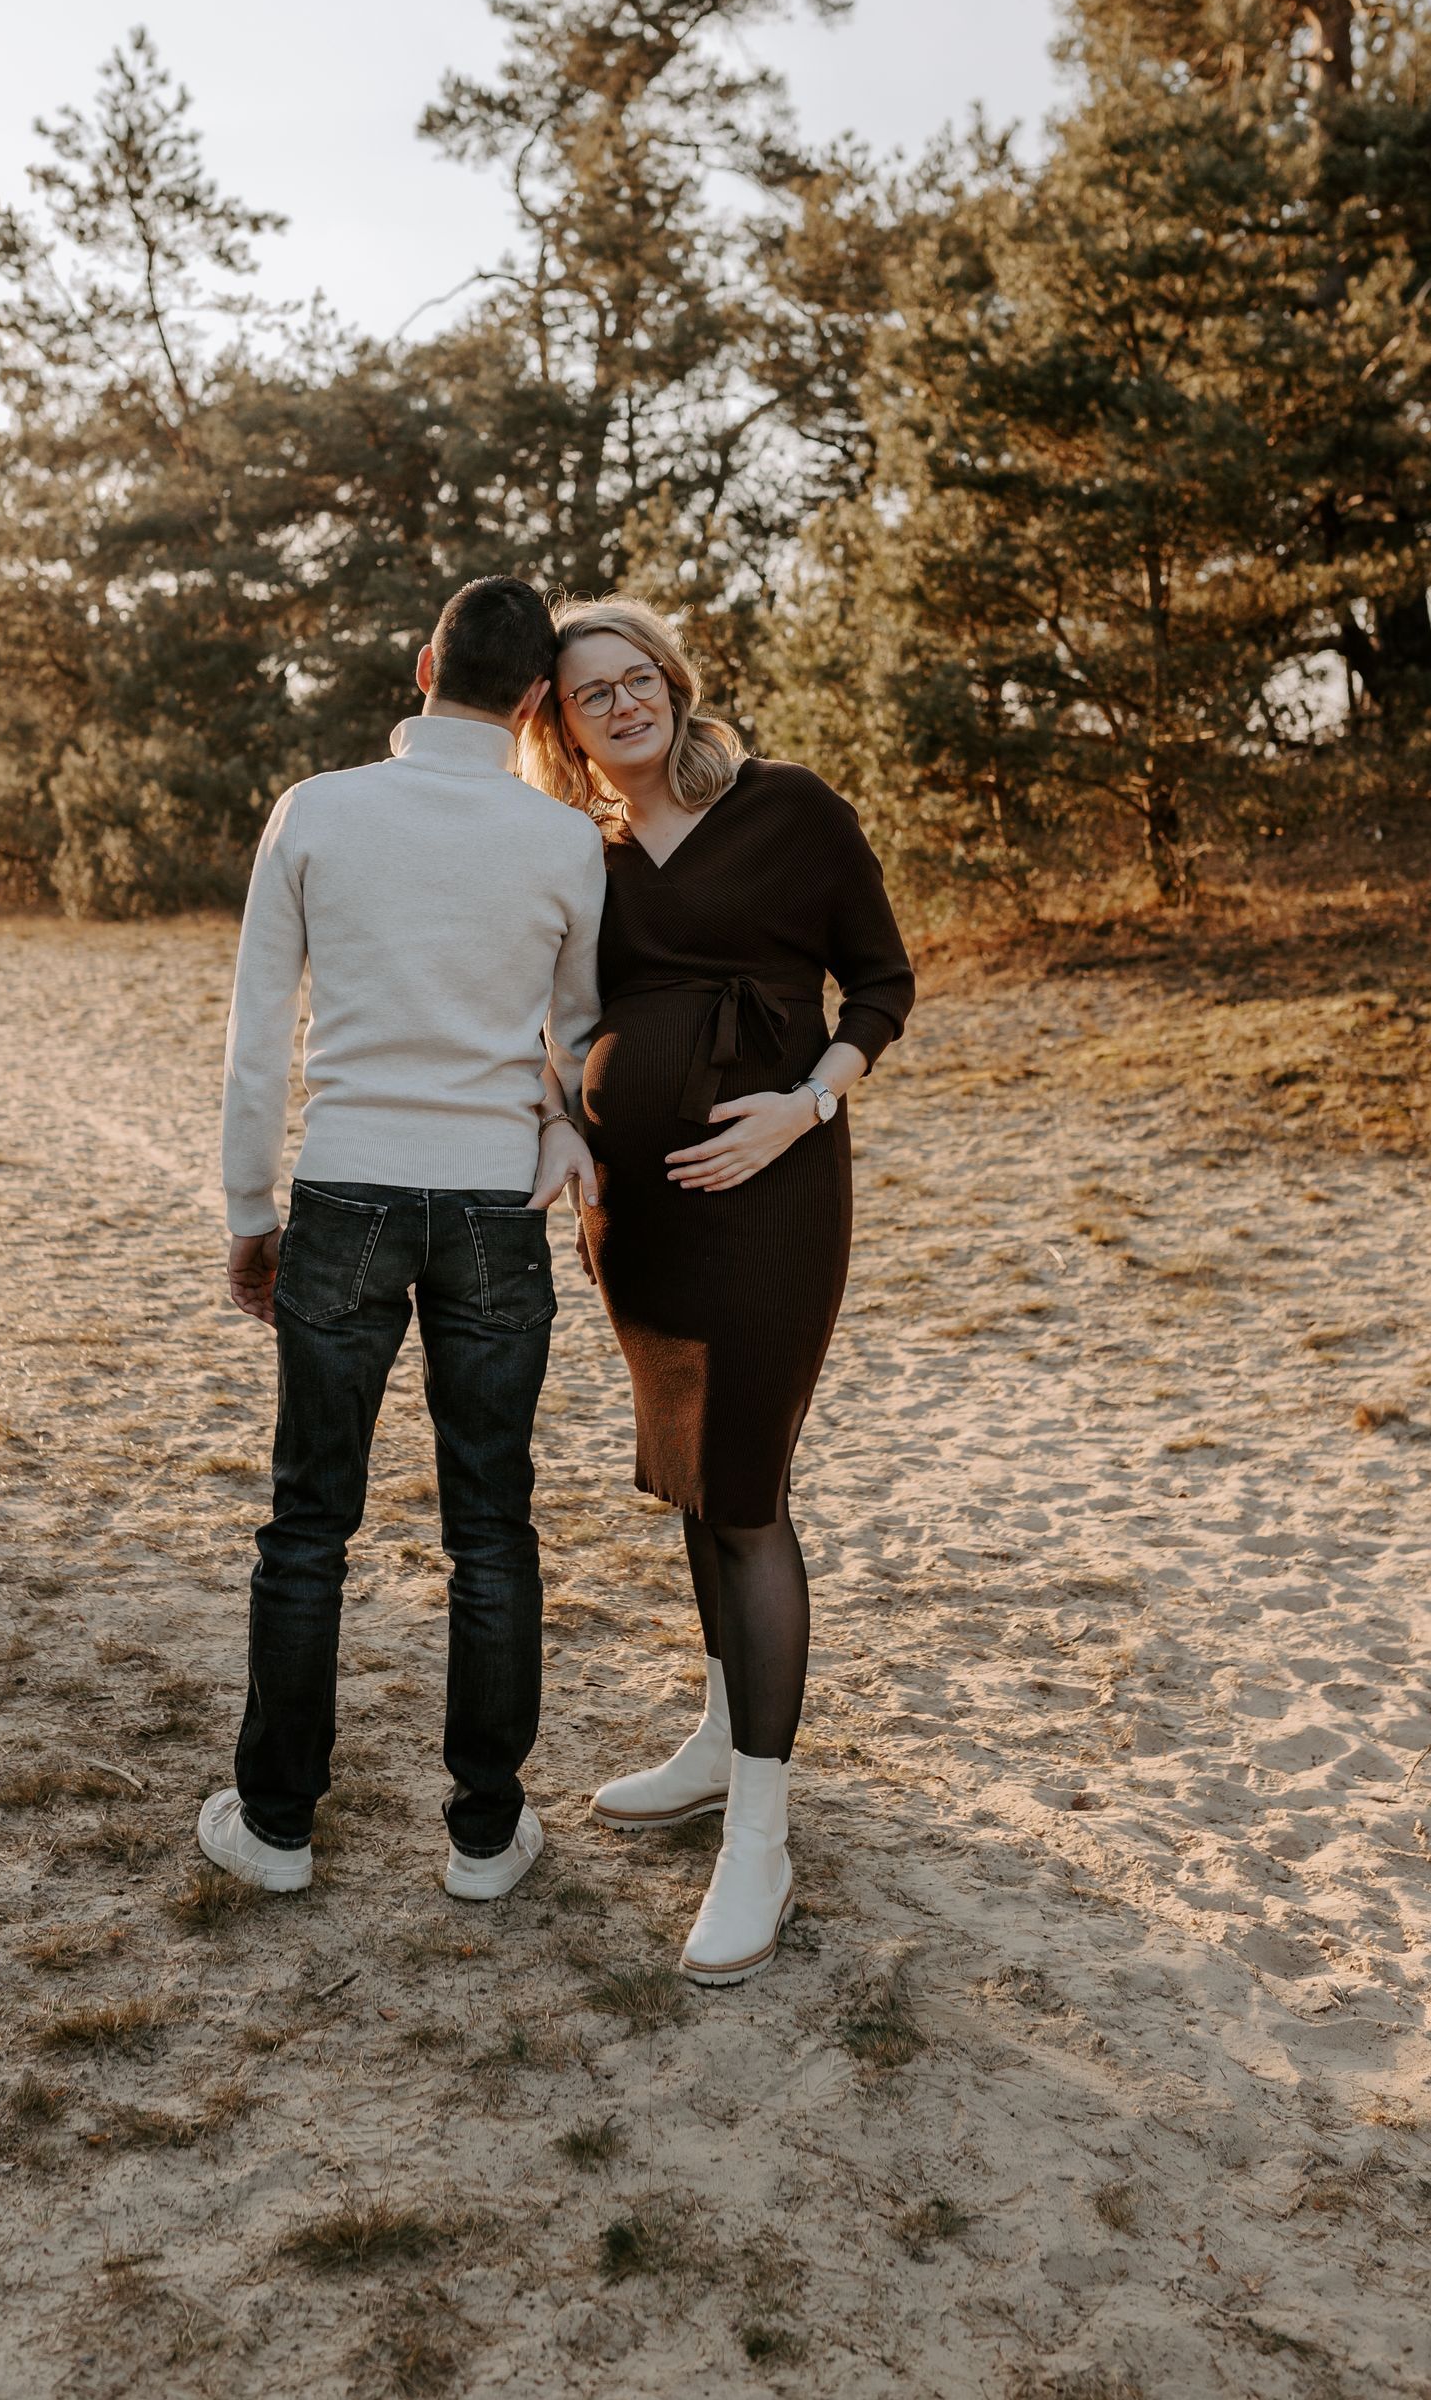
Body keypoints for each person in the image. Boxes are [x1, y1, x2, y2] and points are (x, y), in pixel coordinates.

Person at [520, 599, 913, 1985]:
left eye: (641, 679)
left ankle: (761, 1838)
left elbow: (881, 987)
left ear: (677, 687)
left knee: (745, 1493)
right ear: (563, 726)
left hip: (773, 1193)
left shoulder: (788, 807)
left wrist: (803, 1107)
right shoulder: (580, 853)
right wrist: (565, 1125)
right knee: (693, 1474)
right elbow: (550, 1020)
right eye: (594, 694)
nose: (624, 704)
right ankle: (714, 1738)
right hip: (634, 1215)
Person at [203, 576, 603, 1904]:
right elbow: (581, 1040)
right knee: (492, 1524)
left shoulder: (315, 811)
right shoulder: (566, 842)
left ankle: (277, 1826)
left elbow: (258, 1039)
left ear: (424, 666)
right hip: (496, 1206)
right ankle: (485, 1835)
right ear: (537, 701)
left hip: (346, 1194)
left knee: (309, 1521)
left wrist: (251, 1213)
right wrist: (561, 1128)